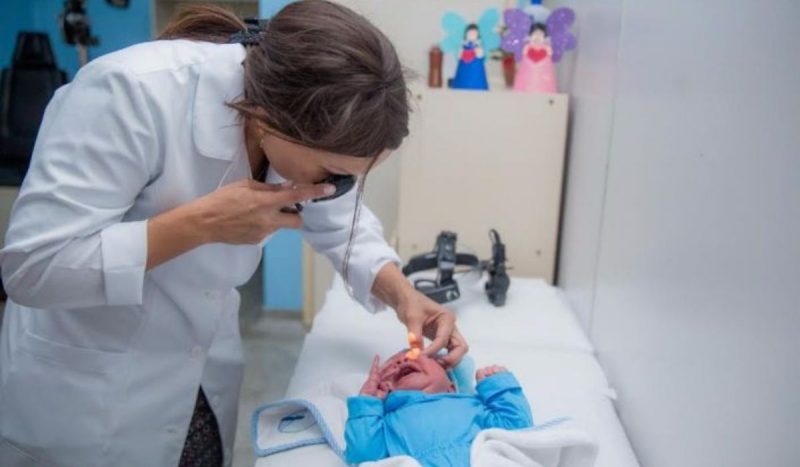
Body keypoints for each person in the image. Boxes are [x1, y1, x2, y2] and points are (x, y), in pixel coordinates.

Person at [0, 2, 468, 466]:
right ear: (267, 119)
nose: (339, 185)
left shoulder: (294, 133)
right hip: (87, 391)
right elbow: (31, 267)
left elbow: (338, 213)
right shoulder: (129, 92)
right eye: (335, 171)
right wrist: (202, 224)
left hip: (197, 372)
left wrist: (402, 294)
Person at [344, 350, 533, 466]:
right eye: (390, 367)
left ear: (451, 384)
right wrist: (368, 403)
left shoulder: (471, 404)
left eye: (414, 354)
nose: (401, 362)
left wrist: (498, 387)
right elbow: (364, 453)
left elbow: (517, 428)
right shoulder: (386, 422)